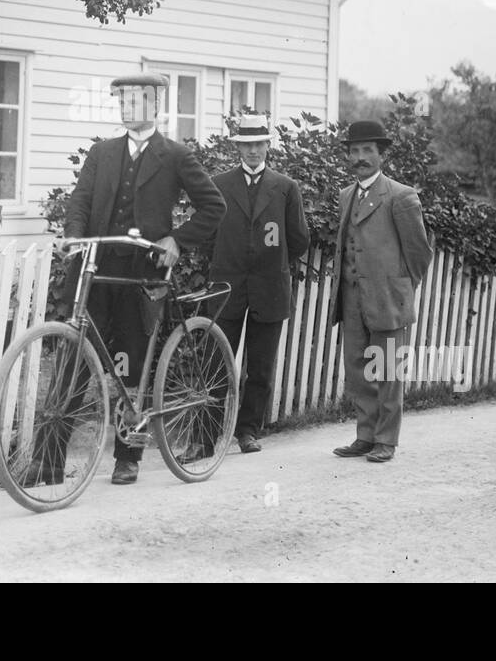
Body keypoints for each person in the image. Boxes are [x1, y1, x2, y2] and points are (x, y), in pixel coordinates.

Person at [62, 73, 226, 484]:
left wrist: (176, 239)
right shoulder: (102, 153)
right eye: (123, 100)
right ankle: (46, 460)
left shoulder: (175, 156)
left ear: (155, 106)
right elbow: (79, 202)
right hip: (97, 268)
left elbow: (213, 206)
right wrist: (74, 239)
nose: (128, 107)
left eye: (138, 100)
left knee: (131, 364)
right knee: (74, 357)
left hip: (143, 273)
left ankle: (127, 458)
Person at [329, 120, 432, 463]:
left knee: (388, 370)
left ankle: (386, 440)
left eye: (367, 151)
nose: (361, 158)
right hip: (352, 297)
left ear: (380, 155)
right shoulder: (347, 195)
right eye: (355, 151)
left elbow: (419, 254)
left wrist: (402, 288)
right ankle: (365, 435)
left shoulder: (401, 196)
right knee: (358, 369)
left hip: (388, 297)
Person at [207, 114, 310, 453]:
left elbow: (298, 240)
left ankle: (248, 430)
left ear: (268, 145)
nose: (253, 151)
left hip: (269, 287)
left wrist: (272, 263)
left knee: (261, 366)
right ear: (238, 147)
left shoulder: (285, 187)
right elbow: (208, 236)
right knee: (217, 362)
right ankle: (206, 438)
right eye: (246, 145)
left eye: (258, 144)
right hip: (228, 286)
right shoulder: (219, 184)